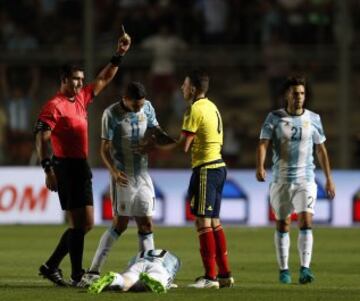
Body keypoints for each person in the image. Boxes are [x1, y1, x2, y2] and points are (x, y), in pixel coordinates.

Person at [34, 27, 131, 286]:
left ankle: (51, 265)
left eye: (81, 79)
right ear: (64, 79)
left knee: (86, 224)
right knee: (80, 225)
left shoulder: (81, 98)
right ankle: (77, 275)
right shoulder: (54, 106)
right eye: (75, 79)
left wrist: (119, 54)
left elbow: (104, 78)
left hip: (80, 165)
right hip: (64, 167)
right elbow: (42, 137)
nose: (80, 83)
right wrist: (48, 169)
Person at [79, 81, 176, 287]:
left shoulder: (148, 107)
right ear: (125, 99)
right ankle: (93, 271)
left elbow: (158, 134)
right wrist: (114, 172)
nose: (140, 108)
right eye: (136, 105)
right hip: (122, 176)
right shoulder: (110, 114)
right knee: (120, 224)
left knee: (146, 224)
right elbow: (103, 149)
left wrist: (151, 144)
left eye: (141, 104)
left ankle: (147, 271)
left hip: (143, 174)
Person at [256, 76, 336, 284]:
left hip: (306, 179)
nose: (299, 97)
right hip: (281, 180)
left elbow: (321, 149)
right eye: (295, 93)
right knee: (283, 224)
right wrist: (260, 166)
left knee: (306, 220)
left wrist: (328, 178)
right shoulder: (274, 118)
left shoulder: (314, 118)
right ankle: (284, 270)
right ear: (286, 95)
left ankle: (305, 269)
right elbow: (263, 143)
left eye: (302, 93)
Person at [159, 70, 233, 289]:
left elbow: (185, 145)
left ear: (192, 89)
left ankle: (210, 277)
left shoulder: (194, 108)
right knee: (215, 222)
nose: (182, 88)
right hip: (219, 167)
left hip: (206, 169)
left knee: (203, 222)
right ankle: (225, 274)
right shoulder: (211, 106)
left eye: (184, 85)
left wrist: (158, 145)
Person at [88, 249, 181, 294]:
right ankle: (152, 280)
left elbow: (130, 264)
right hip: (158, 265)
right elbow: (170, 271)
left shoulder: (143, 253)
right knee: (160, 279)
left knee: (127, 281)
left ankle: (116, 278)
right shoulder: (173, 258)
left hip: (138, 264)